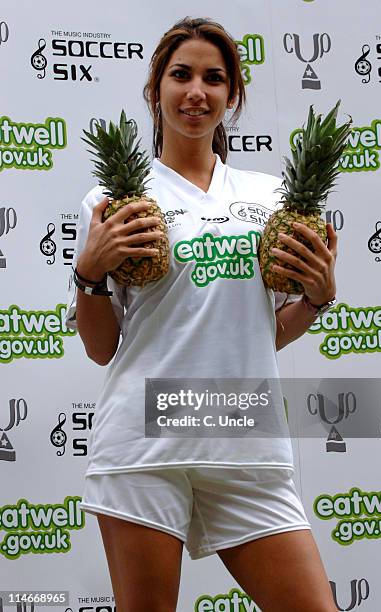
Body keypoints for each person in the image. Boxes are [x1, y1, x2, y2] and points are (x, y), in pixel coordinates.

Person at [66, 16, 338, 612]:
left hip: (245, 439)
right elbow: (100, 346)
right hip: (143, 444)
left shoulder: (272, 201)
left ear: (231, 96)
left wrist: (316, 298)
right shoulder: (119, 201)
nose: (196, 91)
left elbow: (267, 331)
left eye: (214, 79)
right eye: (180, 75)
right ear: (155, 89)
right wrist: (89, 273)